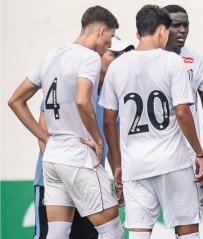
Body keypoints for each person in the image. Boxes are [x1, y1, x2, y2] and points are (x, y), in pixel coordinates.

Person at [8, 5, 124, 239]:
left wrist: (46, 138)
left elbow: (15, 100)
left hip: (52, 158)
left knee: (58, 232)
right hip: (79, 156)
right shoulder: (89, 57)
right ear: (101, 31)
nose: (108, 47)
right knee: (113, 232)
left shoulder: (51, 56)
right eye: (110, 40)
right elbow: (83, 100)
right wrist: (98, 141)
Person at [99, 5, 203, 239]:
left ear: (138, 33)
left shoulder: (117, 66)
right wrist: (199, 153)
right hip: (174, 163)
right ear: (162, 31)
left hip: (135, 165)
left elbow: (109, 122)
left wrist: (117, 164)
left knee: (139, 233)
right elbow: (182, 112)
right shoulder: (172, 62)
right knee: (187, 230)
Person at [32, 36, 133, 239]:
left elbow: (112, 140)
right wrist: (62, 166)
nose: (119, 60)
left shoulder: (115, 91)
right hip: (57, 176)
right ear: (98, 56)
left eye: (123, 56)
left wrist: (118, 178)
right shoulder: (69, 81)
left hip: (87, 177)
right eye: (114, 54)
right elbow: (43, 129)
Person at [163, 4, 203, 213]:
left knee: (189, 224)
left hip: (187, 157)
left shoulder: (198, 61)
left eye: (185, 25)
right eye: (176, 25)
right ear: (162, 27)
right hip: (152, 155)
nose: (183, 30)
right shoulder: (144, 59)